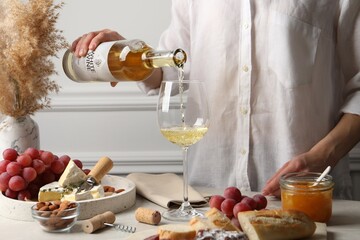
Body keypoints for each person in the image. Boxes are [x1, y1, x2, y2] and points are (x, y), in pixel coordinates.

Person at [71, 0, 360, 199]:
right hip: (209, 196)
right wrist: (125, 53)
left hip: (306, 196)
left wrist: (322, 157)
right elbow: (172, 71)